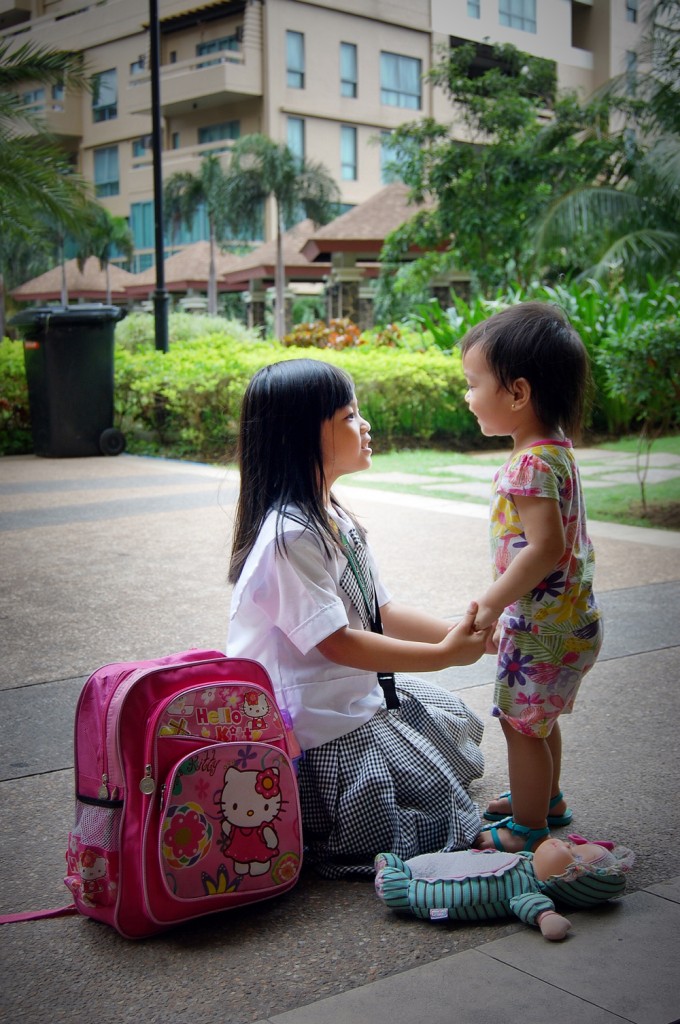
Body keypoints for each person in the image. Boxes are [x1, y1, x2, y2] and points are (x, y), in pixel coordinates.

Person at [226, 357, 490, 879]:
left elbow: (382, 612)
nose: (364, 425)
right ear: (302, 435)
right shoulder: (289, 537)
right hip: (317, 726)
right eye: (349, 415)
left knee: (457, 735)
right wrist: (441, 658)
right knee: (431, 816)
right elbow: (339, 643)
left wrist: (471, 637)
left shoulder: (333, 517)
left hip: (357, 696)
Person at [460, 301, 603, 854]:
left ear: (517, 394)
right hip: (570, 622)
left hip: (542, 628)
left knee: (519, 725)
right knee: (537, 720)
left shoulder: (528, 465)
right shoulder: (557, 453)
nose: (467, 397)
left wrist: (492, 603)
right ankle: (545, 799)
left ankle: (527, 829)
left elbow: (545, 548)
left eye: (474, 384)